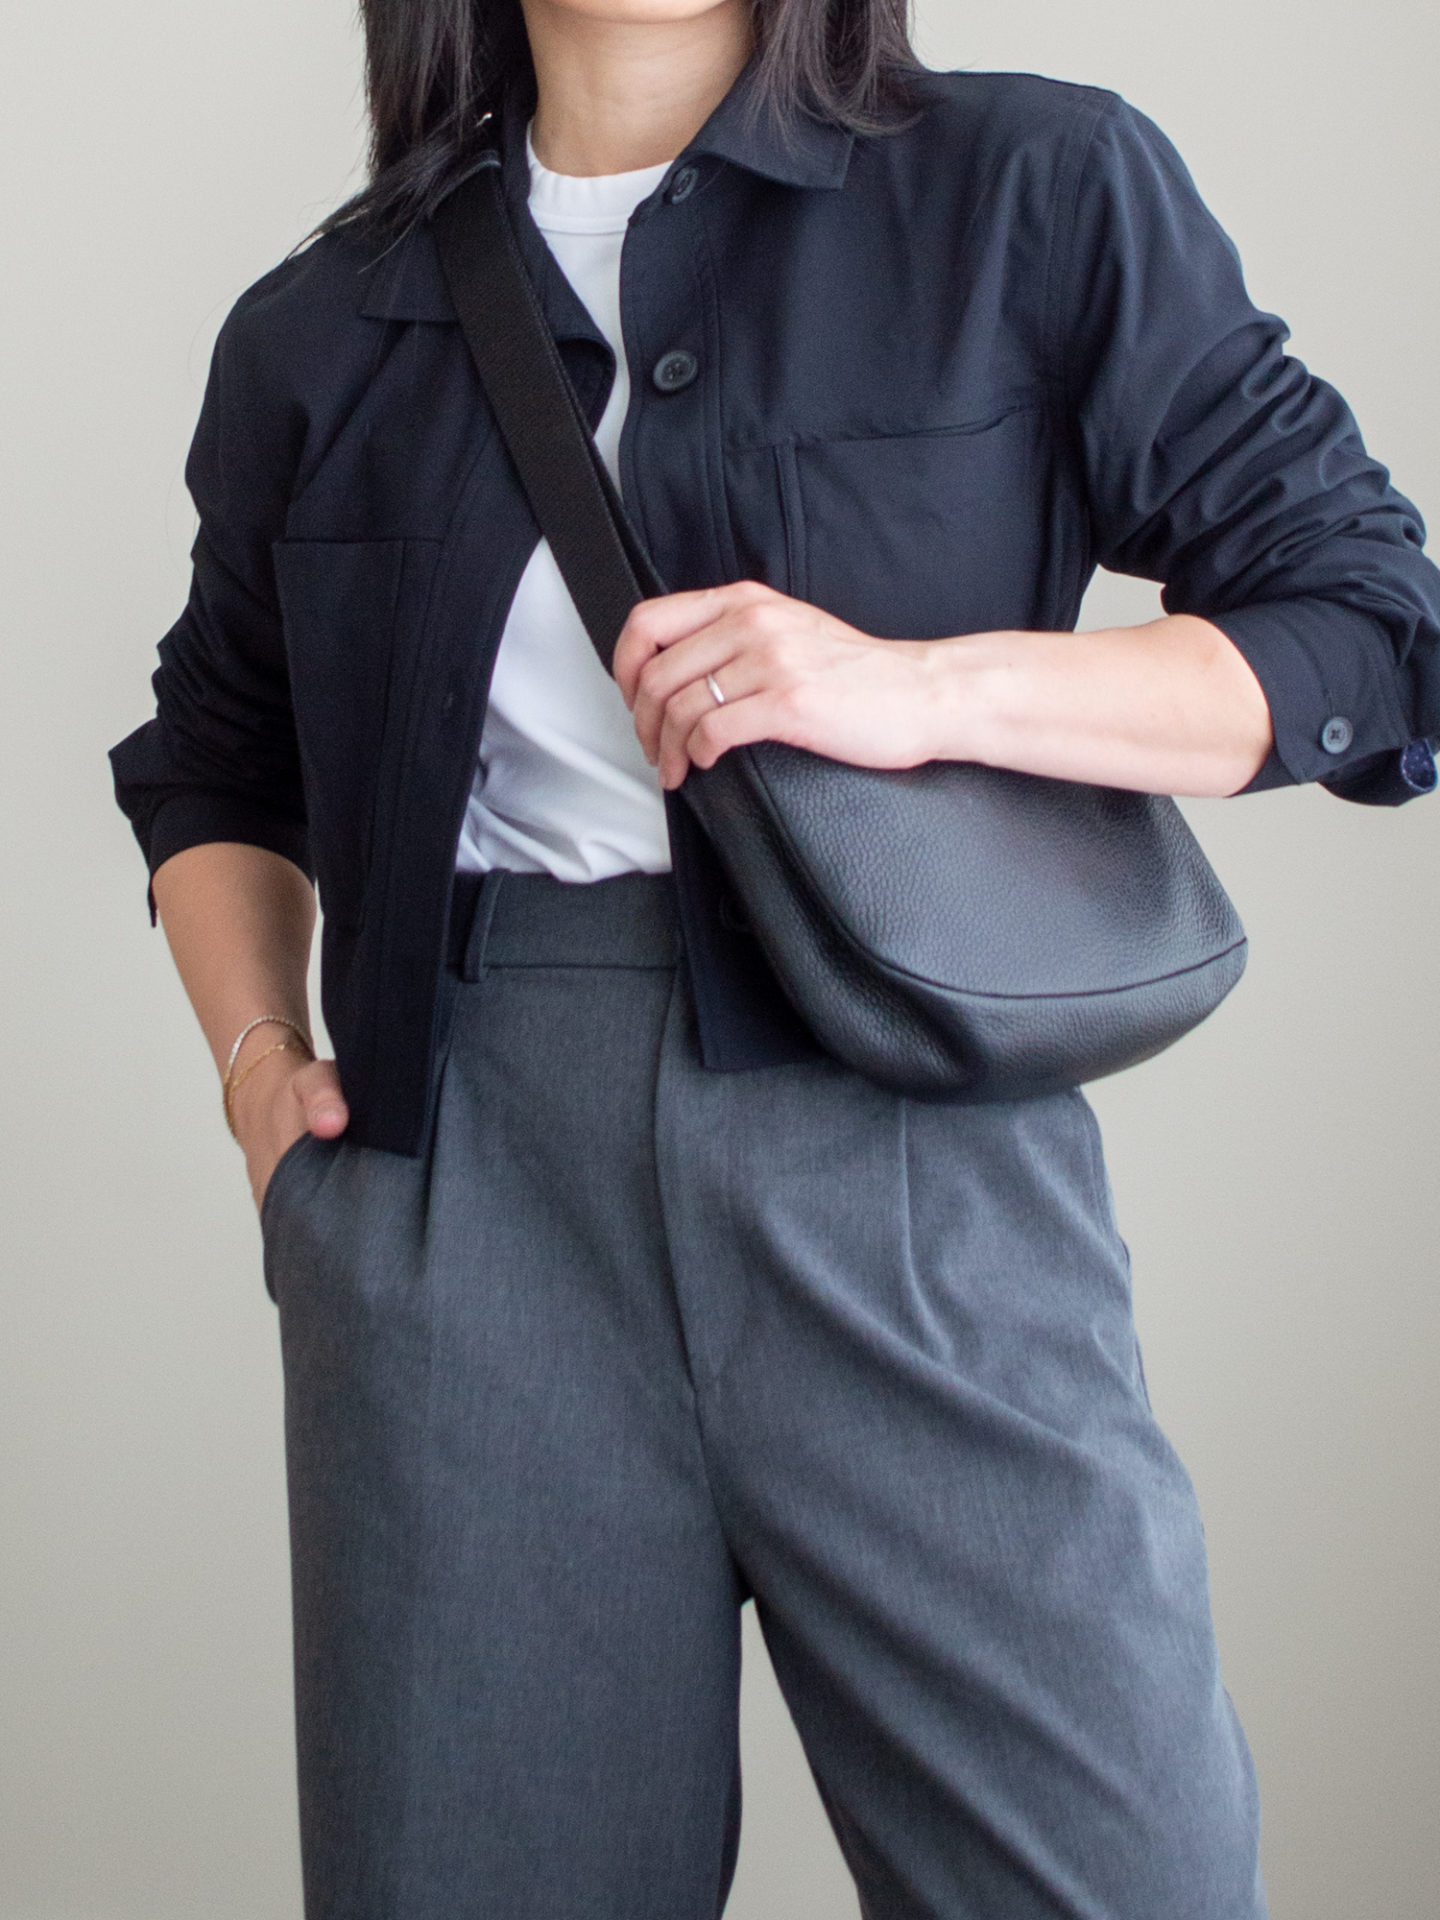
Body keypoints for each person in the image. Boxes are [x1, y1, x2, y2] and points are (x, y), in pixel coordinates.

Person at [109, 0, 1440, 1913]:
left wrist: (916, 692)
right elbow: (212, 759)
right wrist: (259, 1075)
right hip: (461, 1201)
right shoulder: (322, 325)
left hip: (914, 1164)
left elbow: (1365, 626)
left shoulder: (1034, 187)